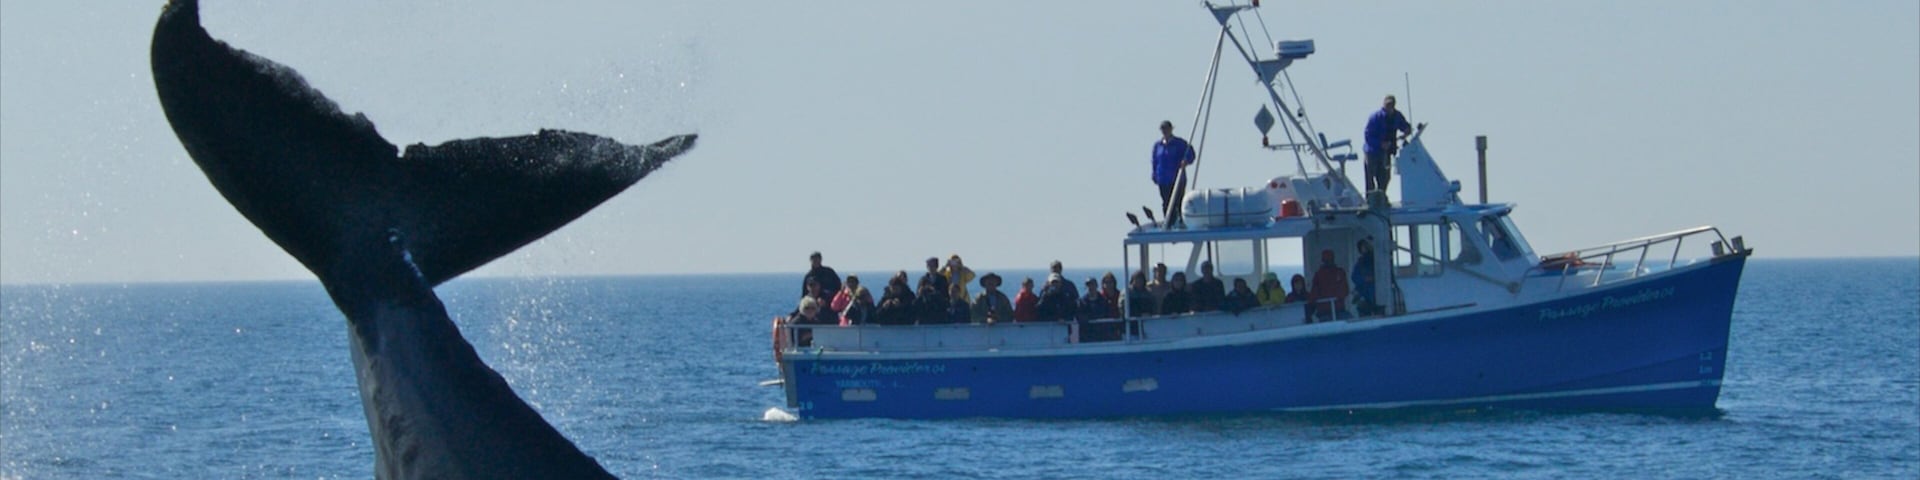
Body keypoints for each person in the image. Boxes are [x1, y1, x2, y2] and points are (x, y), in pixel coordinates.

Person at [1362, 95, 1415, 193]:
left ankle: (1381, 197)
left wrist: (1407, 130)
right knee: (1370, 177)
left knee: (1385, 177)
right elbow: (1368, 136)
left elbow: (1404, 125)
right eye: (1387, 105)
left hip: (1386, 152)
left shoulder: (1397, 116)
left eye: (1391, 105)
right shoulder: (1375, 117)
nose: (1389, 107)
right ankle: (1371, 200)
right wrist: (1380, 144)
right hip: (1372, 151)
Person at [1152, 120, 1198, 225]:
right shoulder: (1158, 146)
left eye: (1167, 129)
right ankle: (1168, 222)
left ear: (1171, 129)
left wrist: (1186, 161)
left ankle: (1181, 221)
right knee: (1166, 202)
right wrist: (1154, 175)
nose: (1165, 131)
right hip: (1163, 179)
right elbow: (1155, 161)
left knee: (1178, 201)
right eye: (1163, 129)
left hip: (1177, 178)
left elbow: (1190, 153)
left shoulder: (1179, 143)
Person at [1309, 249, 1350, 321]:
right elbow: (1314, 293)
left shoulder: (1338, 273)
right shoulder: (1319, 275)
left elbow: (1344, 290)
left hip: (1337, 310)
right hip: (1327, 311)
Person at [1351, 239, 1380, 317]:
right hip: (1365, 295)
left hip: (1378, 295)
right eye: (1362, 247)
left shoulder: (1379, 261)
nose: (1365, 249)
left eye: (1366, 246)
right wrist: (1365, 279)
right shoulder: (1360, 263)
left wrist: (1375, 278)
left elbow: (1384, 275)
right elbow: (1354, 277)